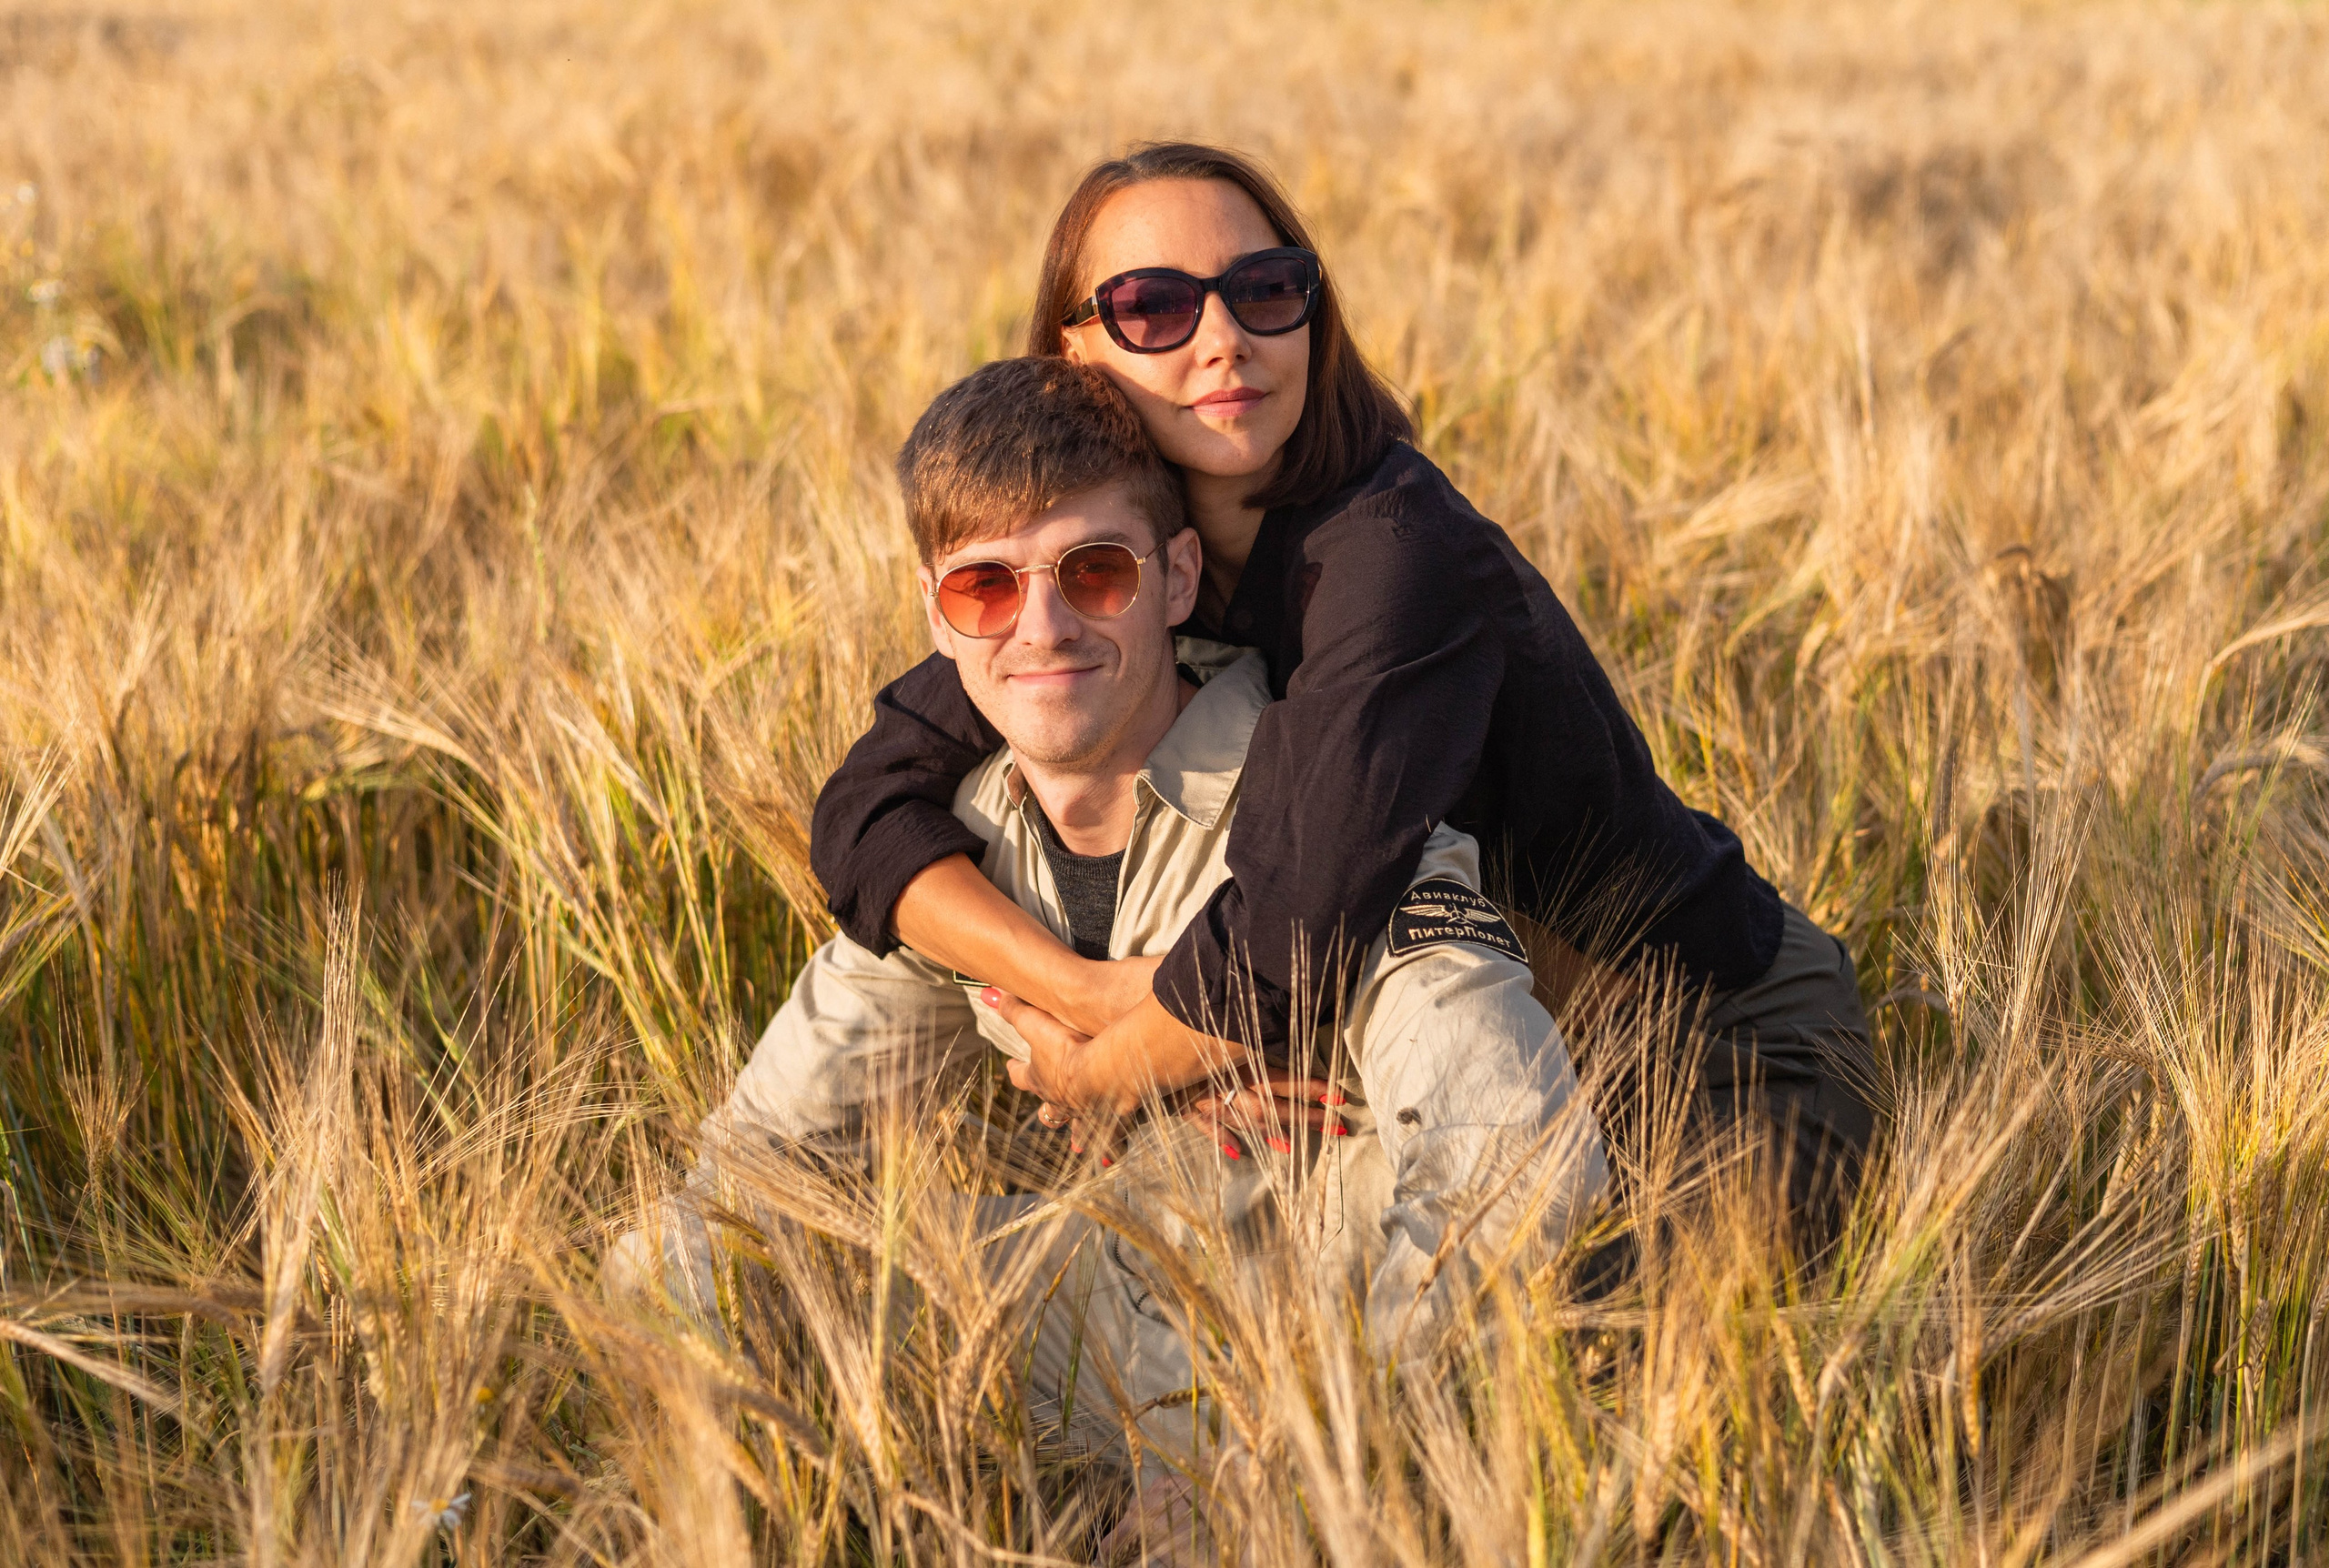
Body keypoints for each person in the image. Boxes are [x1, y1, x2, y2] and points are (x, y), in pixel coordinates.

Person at [613, 358, 1608, 1541]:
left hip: (1331, 1377)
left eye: (1096, 572)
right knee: (671, 1269)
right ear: (937, 615)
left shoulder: (1337, 827)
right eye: (986, 588)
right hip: (1076, 1347)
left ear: (1177, 577)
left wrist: (1288, 1452)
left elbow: (1523, 1170)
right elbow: (753, 1171)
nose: (1042, 628)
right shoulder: (956, 862)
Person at [809, 142, 1875, 1243]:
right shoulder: (1107, 565)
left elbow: (1294, 939)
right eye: (1152, 307)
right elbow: (862, 815)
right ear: (1072, 350)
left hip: (1711, 1047)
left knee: (1564, 1346)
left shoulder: (1393, 555)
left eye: (1267, 289)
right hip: (1450, 1057)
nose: (1225, 338)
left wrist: (1102, 1075)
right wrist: (1085, 997)